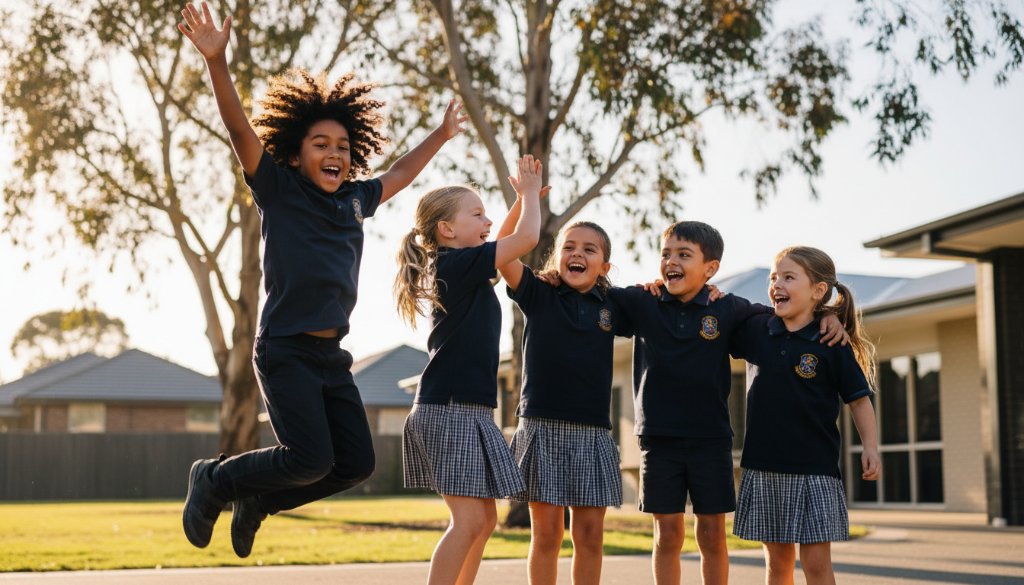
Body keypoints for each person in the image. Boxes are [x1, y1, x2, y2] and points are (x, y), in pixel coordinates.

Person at [176, 1, 468, 559]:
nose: (334, 153)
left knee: (355, 462)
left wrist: (441, 133)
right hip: (285, 349)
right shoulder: (279, 190)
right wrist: (217, 62)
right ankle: (213, 480)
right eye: (320, 145)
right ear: (296, 153)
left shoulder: (357, 199)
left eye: (342, 147)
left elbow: (402, 172)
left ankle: (257, 501)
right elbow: (239, 128)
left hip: (332, 357)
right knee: (308, 459)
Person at [612, 222, 848, 585]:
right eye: (666, 254)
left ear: (710, 268)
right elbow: (593, 294)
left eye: (684, 255)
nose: (671, 261)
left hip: (711, 441)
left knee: (711, 534)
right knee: (668, 534)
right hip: (658, 441)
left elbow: (790, 313)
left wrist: (827, 315)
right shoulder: (643, 301)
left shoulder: (730, 309)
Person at [395, 156, 544, 585]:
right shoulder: (455, 266)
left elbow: (506, 239)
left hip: (467, 409)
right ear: (447, 230)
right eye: (476, 213)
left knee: (483, 520)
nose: (487, 219)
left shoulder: (468, 267)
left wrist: (520, 201)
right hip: (448, 409)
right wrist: (531, 196)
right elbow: (527, 237)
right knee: (466, 522)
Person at [731, 246, 880, 585]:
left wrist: (870, 446)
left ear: (818, 291)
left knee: (816, 564)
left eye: (788, 277)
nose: (776, 284)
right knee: (777, 565)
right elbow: (722, 315)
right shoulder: (758, 330)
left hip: (816, 471)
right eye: (774, 277)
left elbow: (858, 400)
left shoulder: (832, 342)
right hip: (765, 467)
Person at [496, 211, 630, 584]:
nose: (578, 254)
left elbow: (665, 302)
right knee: (547, 534)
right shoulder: (540, 293)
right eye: (569, 247)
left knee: (589, 535)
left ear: (604, 266)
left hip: (592, 434)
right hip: (542, 427)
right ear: (556, 258)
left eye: (590, 249)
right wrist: (524, 201)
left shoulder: (614, 305)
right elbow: (502, 254)